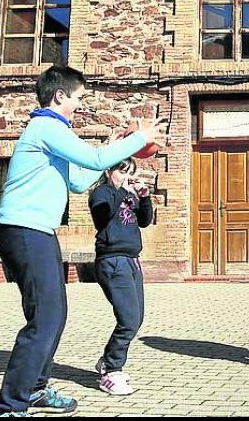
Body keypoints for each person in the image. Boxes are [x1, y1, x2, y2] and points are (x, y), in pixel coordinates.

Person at [0, 65, 165, 418]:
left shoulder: (53, 134)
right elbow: (95, 160)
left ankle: (35, 389)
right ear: (60, 96)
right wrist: (139, 137)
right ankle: (8, 407)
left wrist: (112, 148)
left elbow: (81, 180)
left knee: (53, 315)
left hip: (38, 232)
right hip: (23, 230)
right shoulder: (46, 126)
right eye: (79, 97)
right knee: (45, 319)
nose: (80, 104)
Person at [89, 158, 156, 395]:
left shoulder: (129, 195)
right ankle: (111, 370)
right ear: (109, 171)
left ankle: (108, 360)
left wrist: (144, 197)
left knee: (136, 318)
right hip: (112, 261)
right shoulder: (101, 193)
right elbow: (102, 216)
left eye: (130, 172)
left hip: (132, 261)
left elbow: (146, 221)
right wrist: (121, 190)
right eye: (121, 171)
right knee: (127, 320)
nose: (126, 176)